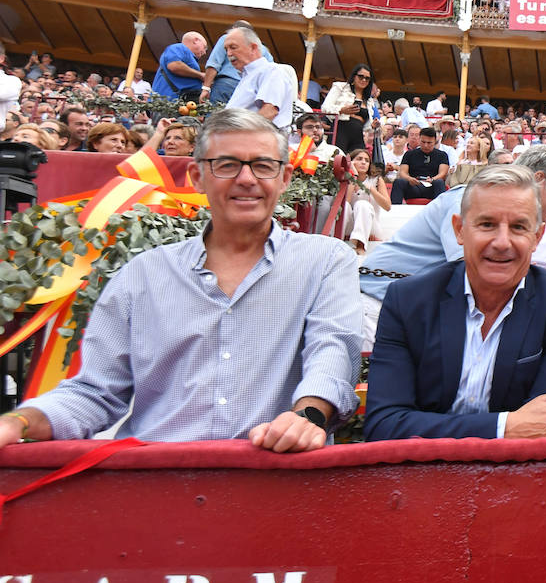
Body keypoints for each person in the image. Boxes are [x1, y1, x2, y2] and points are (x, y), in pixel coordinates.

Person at [0, 109, 361, 451]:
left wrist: (307, 416)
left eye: (264, 166)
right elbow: (95, 393)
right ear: (197, 176)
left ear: (283, 178)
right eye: (227, 165)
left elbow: (331, 352)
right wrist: (20, 422)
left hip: (273, 478)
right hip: (158, 479)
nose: (247, 179)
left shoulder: (325, 261)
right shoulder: (143, 275)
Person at [363, 165, 546, 441]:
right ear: (459, 230)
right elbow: (384, 423)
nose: (501, 242)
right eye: (487, 225)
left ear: (537, 237)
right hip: (418, 477)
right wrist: (503, 427)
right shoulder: (408, 300)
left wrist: (433, 427)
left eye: (519, 227)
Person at [224, 24, 293, 129]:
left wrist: (237, 133)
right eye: (226, 49)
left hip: (255, 140)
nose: (229, 53)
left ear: (253, 47)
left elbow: (269, 111)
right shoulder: (247, 76)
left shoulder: (271, 71)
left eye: (233, 47)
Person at [322, 64, 378, 153]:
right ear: (354, 76)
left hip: (358, 134)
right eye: (361, 76)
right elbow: (325, 108)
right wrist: (341, 110)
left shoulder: (369, 100)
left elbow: (366, 126)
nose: (364, 80)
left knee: (358, 161)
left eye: (367, 78)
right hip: (340, 130)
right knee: (337, 160)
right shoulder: (340, 87)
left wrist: (373, 125)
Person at [345, 148, 390, 255]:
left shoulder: (377, 180)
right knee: (346, 206)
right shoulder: (345, 179)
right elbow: (346, 202)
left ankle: (360, 245)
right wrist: (353, 176)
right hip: (350, 225)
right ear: (351, 162)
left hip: (371, 227)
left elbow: (387, 207)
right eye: (359, 159)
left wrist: (372, 189)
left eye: (366, 160)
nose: (363, 162)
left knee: (362, 204)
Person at [390, 126, 450, 203]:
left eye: (429, 143)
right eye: (423, 142)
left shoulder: (442, 155)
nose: (426, 145)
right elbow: (402, 172)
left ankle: (441, 209)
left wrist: (432, 179)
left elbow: (443, 173)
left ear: (435, 141)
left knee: (439, 182)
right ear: (419, 140)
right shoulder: (409, 154)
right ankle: (395, 209)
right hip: (414, 186)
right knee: (399, 182)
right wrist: (409, 179)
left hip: (432, 186)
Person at [151, 32, 208, 101]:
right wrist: (200, 75)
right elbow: (174, 65)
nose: (204, 52)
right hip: (168, 102)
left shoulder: (186, 54)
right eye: (204, 47)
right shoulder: (179, 48)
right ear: (196, 40)